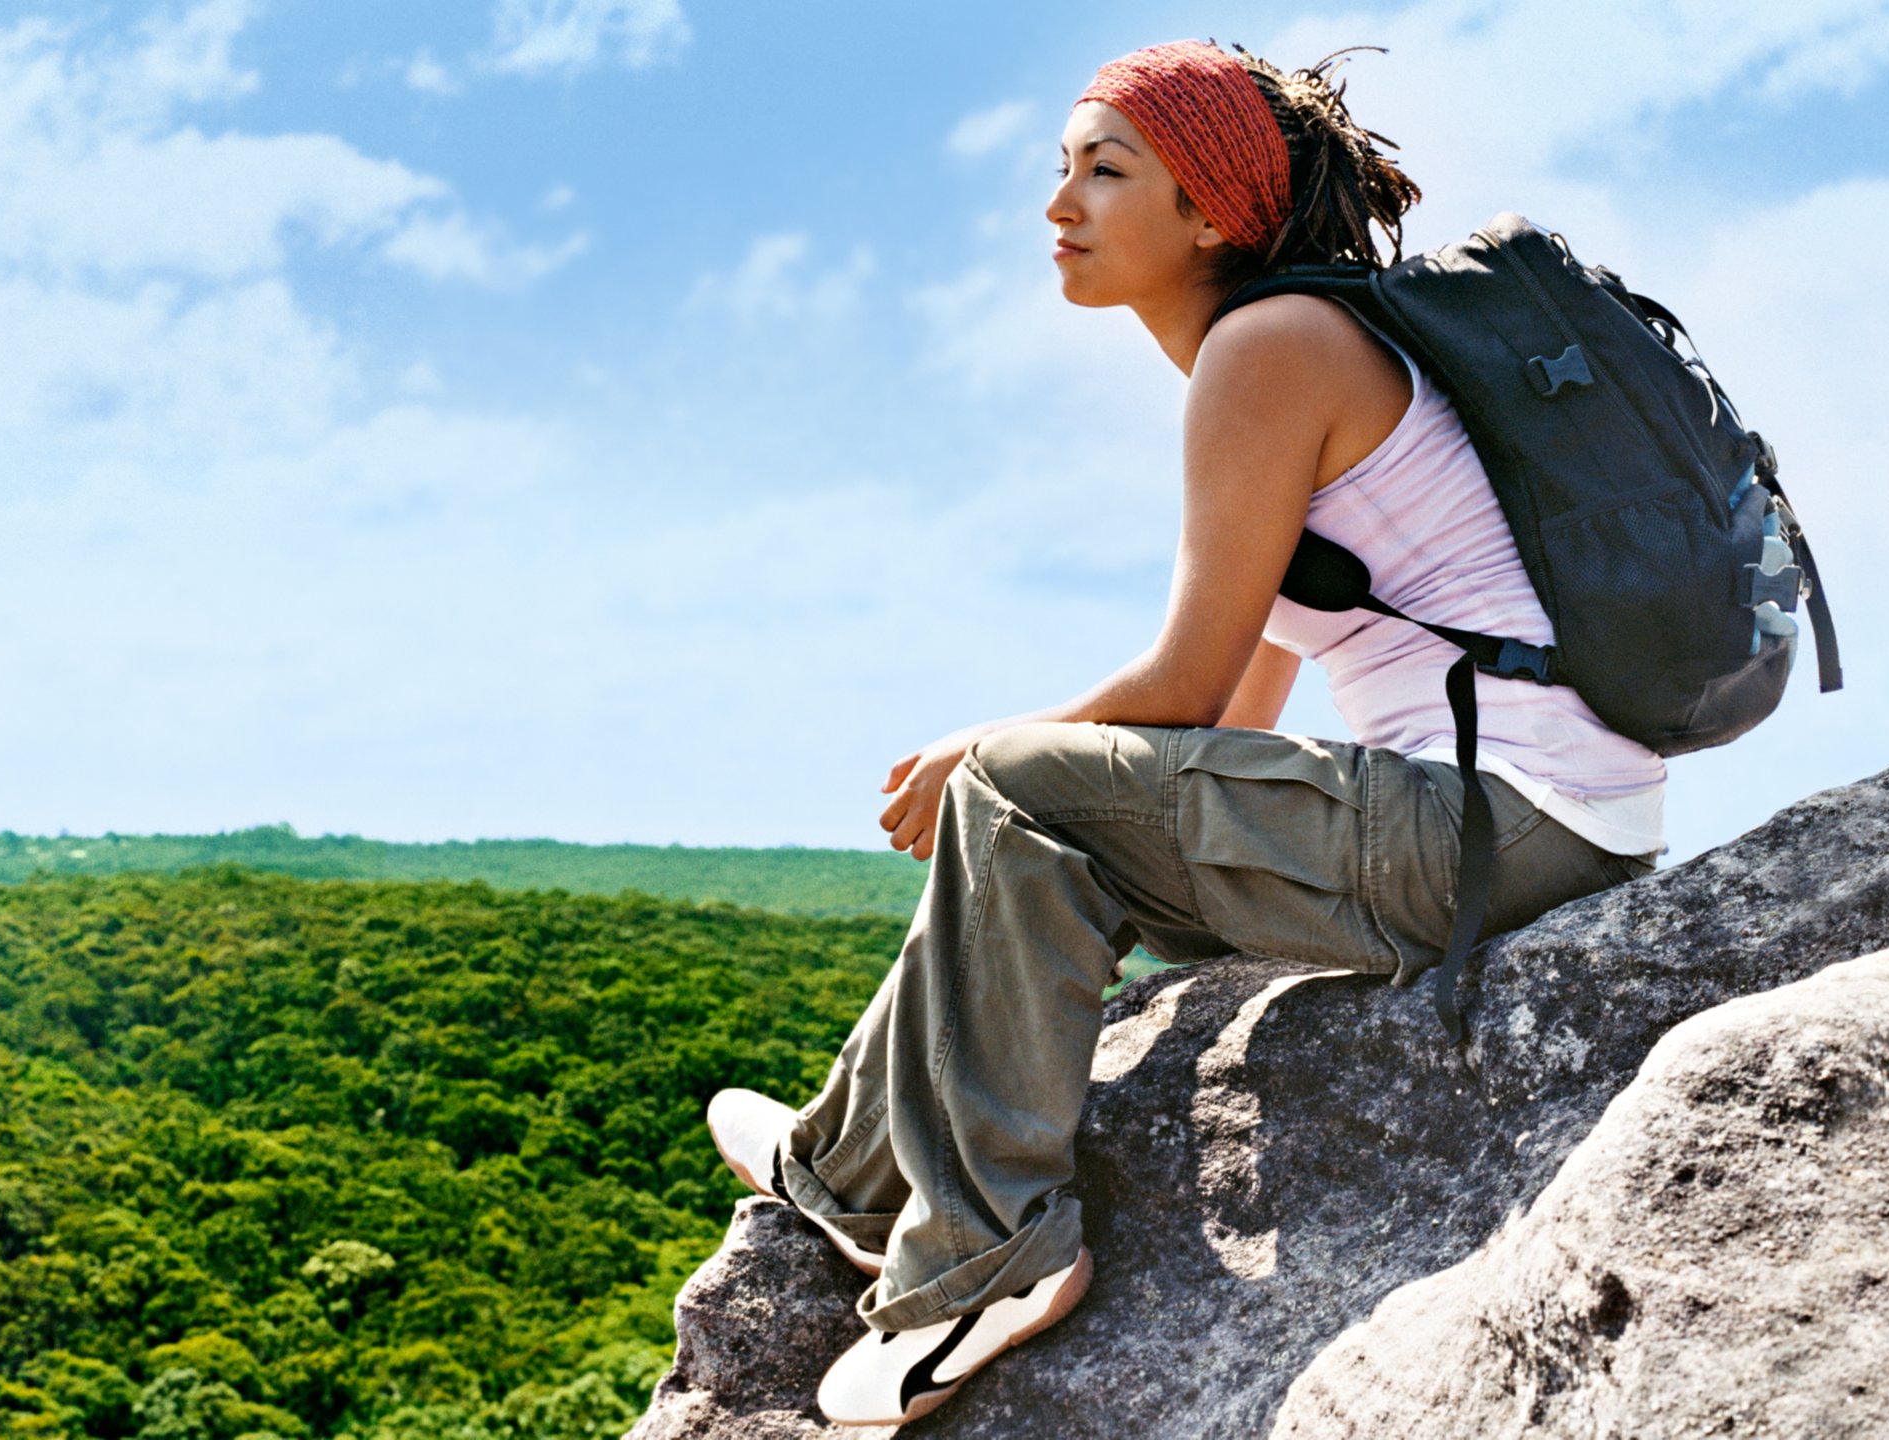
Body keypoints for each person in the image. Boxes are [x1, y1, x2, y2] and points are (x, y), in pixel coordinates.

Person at [705, 38, 1664, 1428]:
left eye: (1106, 170)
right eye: (1060, 170)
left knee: (1016, 785)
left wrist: (984, 745)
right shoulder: (1314, 345)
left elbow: (1182, 678)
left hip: (1500, 826)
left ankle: (988, 1262)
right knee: (1049, 821)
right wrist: (1064, 797)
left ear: (1210, 212)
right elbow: (1225, 718)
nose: (1059, 205)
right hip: (1524, 826)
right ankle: (846, 1171)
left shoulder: (1268, 352)